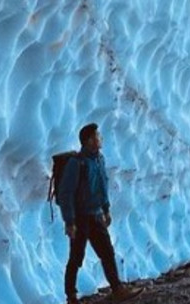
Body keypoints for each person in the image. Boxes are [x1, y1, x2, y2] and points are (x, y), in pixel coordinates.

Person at [58, 123, 143, 304]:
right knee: (76, 257)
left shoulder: (99, 159)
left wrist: (106, 209)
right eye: (97, 136)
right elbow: (66, 193)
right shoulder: (77, 164)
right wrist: (69, 221)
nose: (100, 139)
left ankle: (117, 289)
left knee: (107, 252)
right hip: (80, 218)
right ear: (89, 141)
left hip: (96, 215)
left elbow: (102, 186)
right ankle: (71, 296)